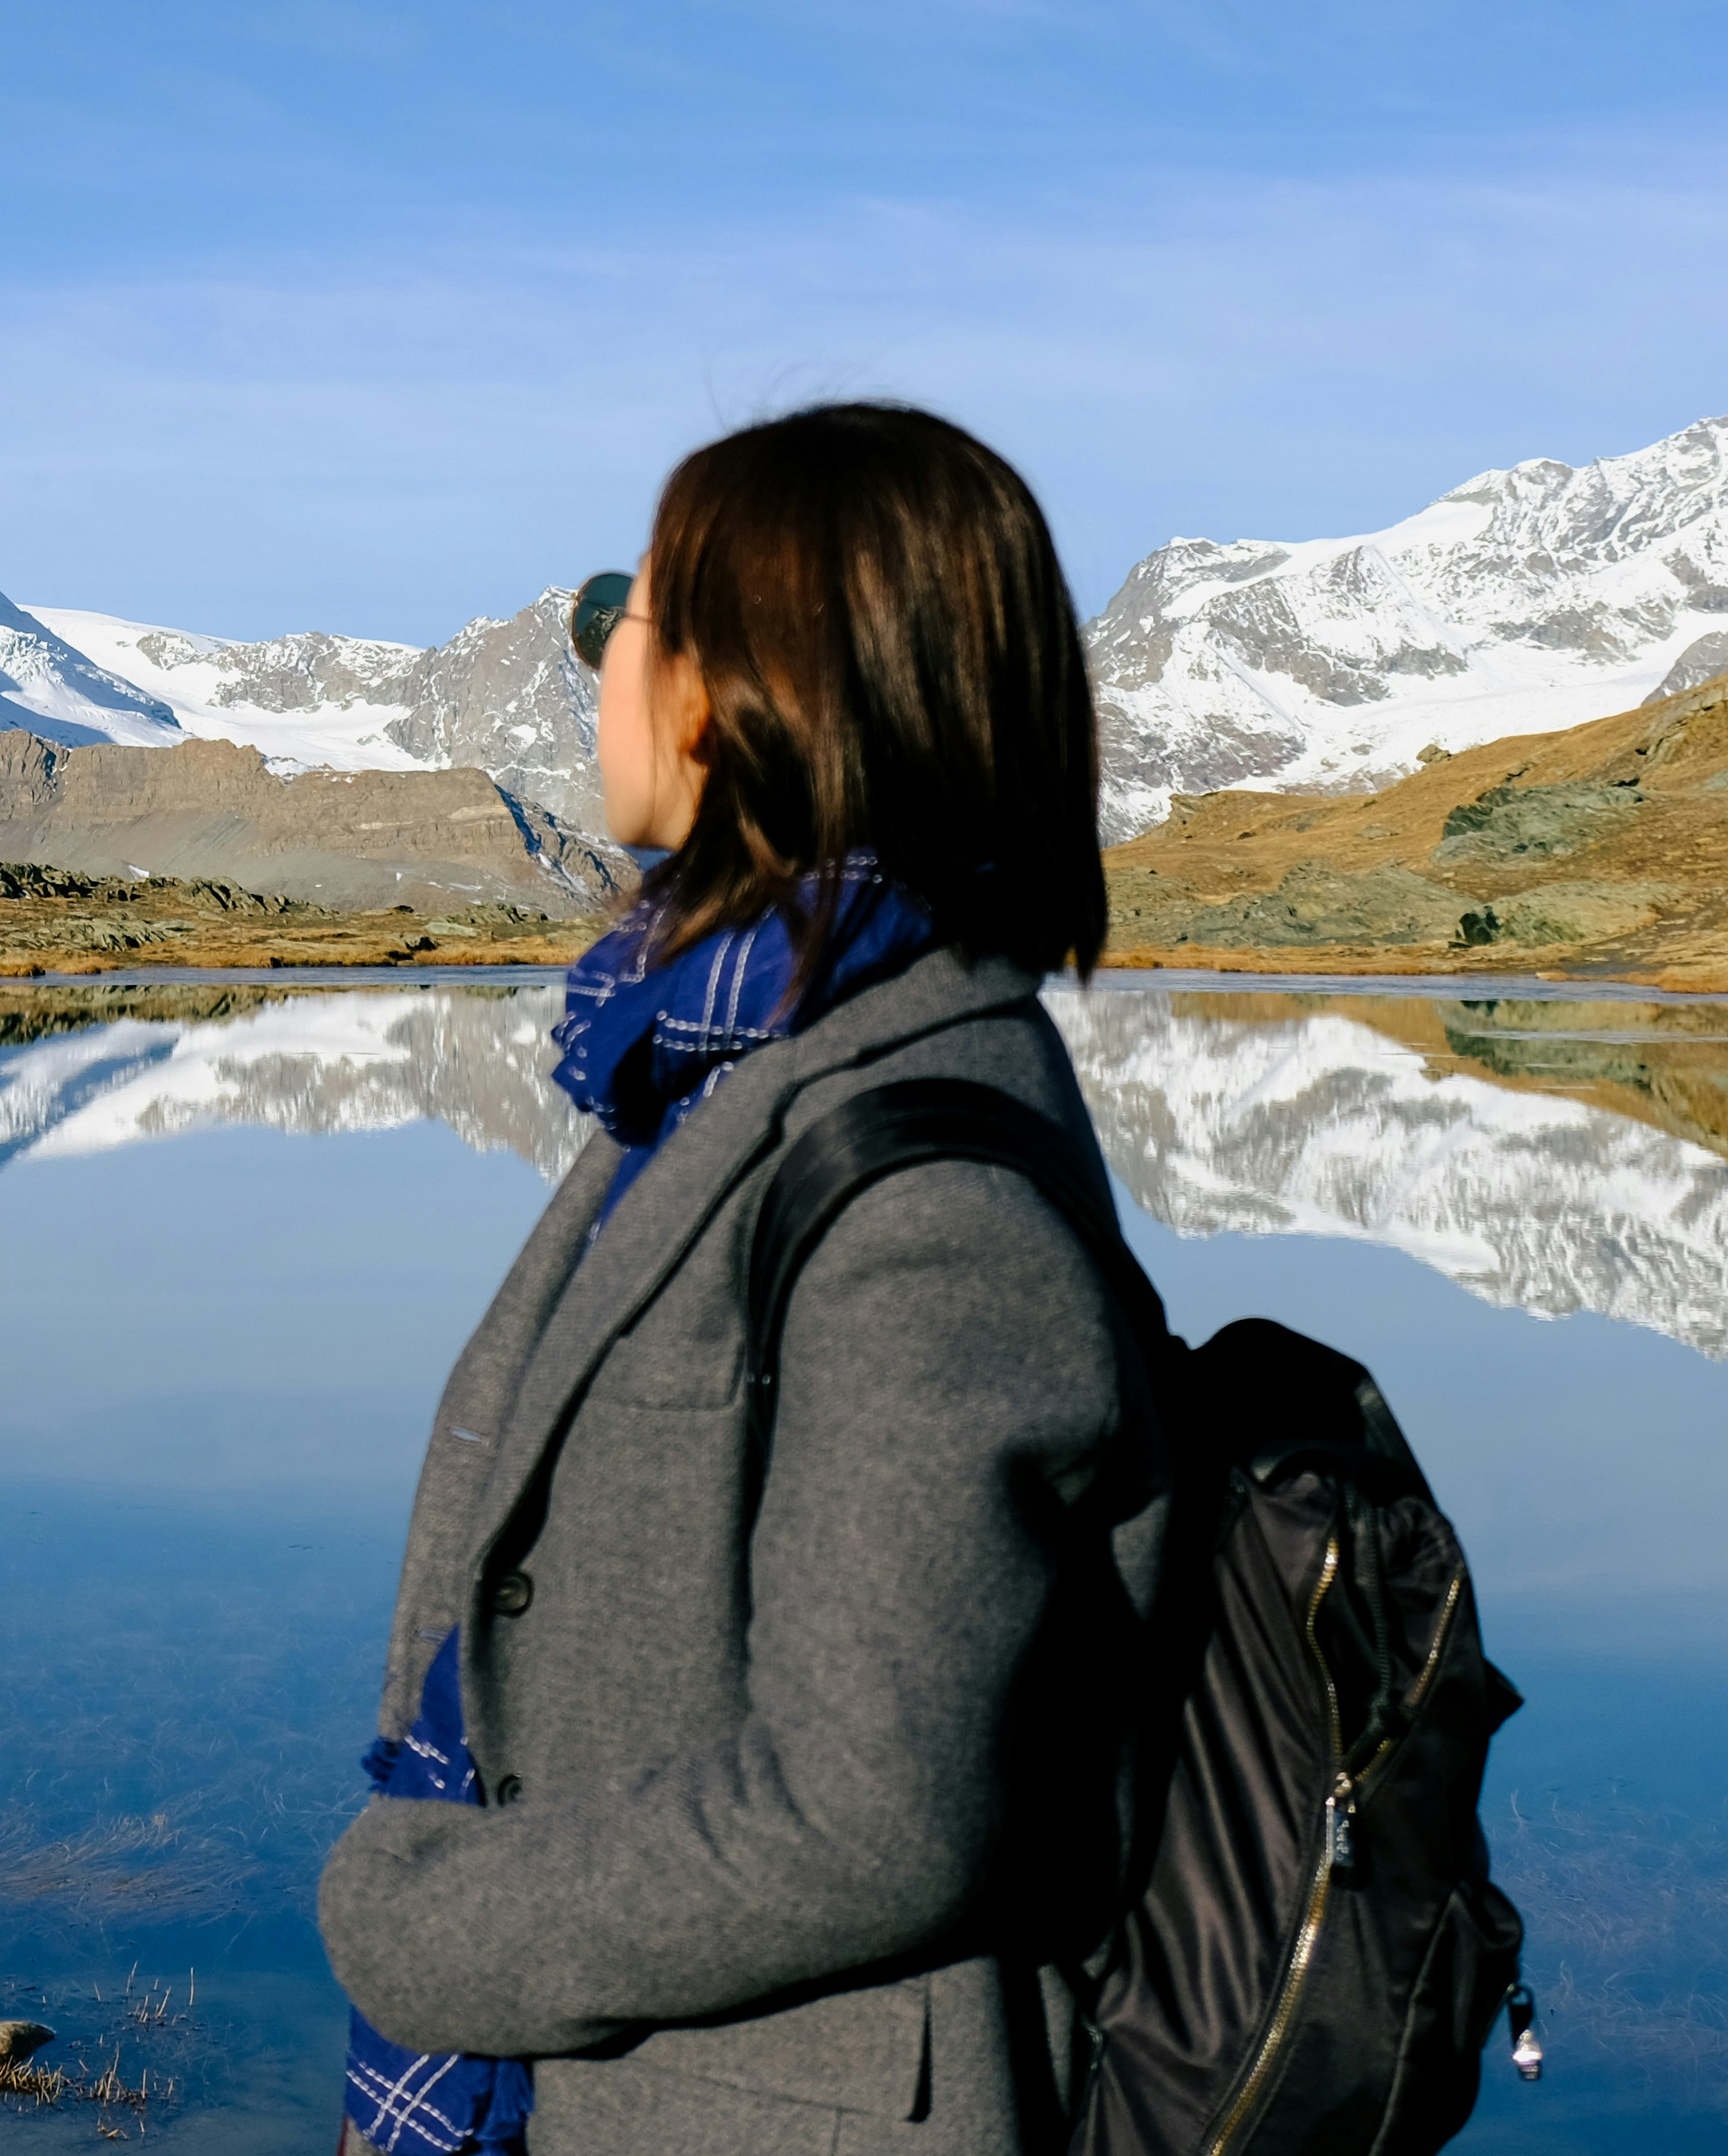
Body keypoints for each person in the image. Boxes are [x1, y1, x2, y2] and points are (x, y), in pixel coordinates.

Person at [321, 403, 1168, 2156]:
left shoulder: (919, 1175)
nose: (587, 656)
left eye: (619, 615)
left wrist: (436, 1931)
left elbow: (873, 1807)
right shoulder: (725, 1069)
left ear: (740, 689)